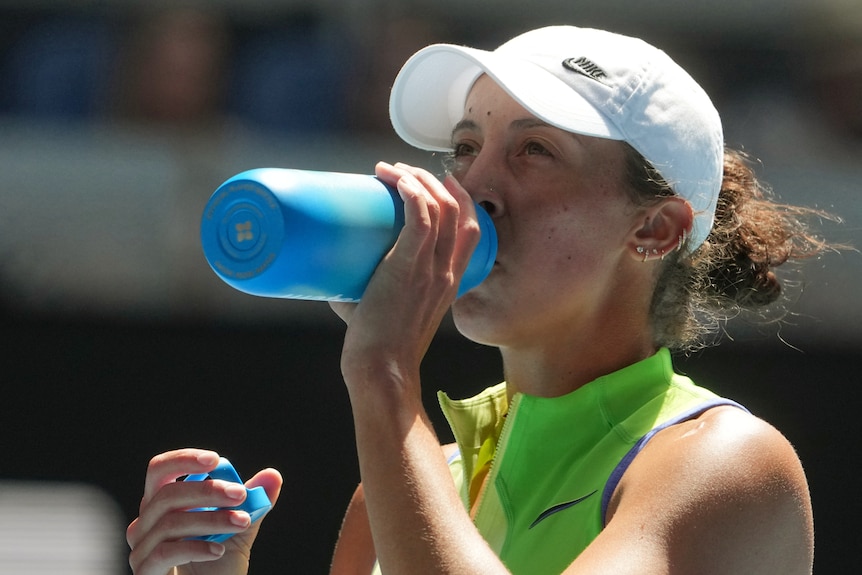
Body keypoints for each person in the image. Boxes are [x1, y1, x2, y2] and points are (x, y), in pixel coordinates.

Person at [127, 25, 836, 574]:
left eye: (534, 152)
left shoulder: (729, 464)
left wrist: (384, 372)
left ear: (654, 227)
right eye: (467, 146)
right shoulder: (401, 486)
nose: (473, 187)